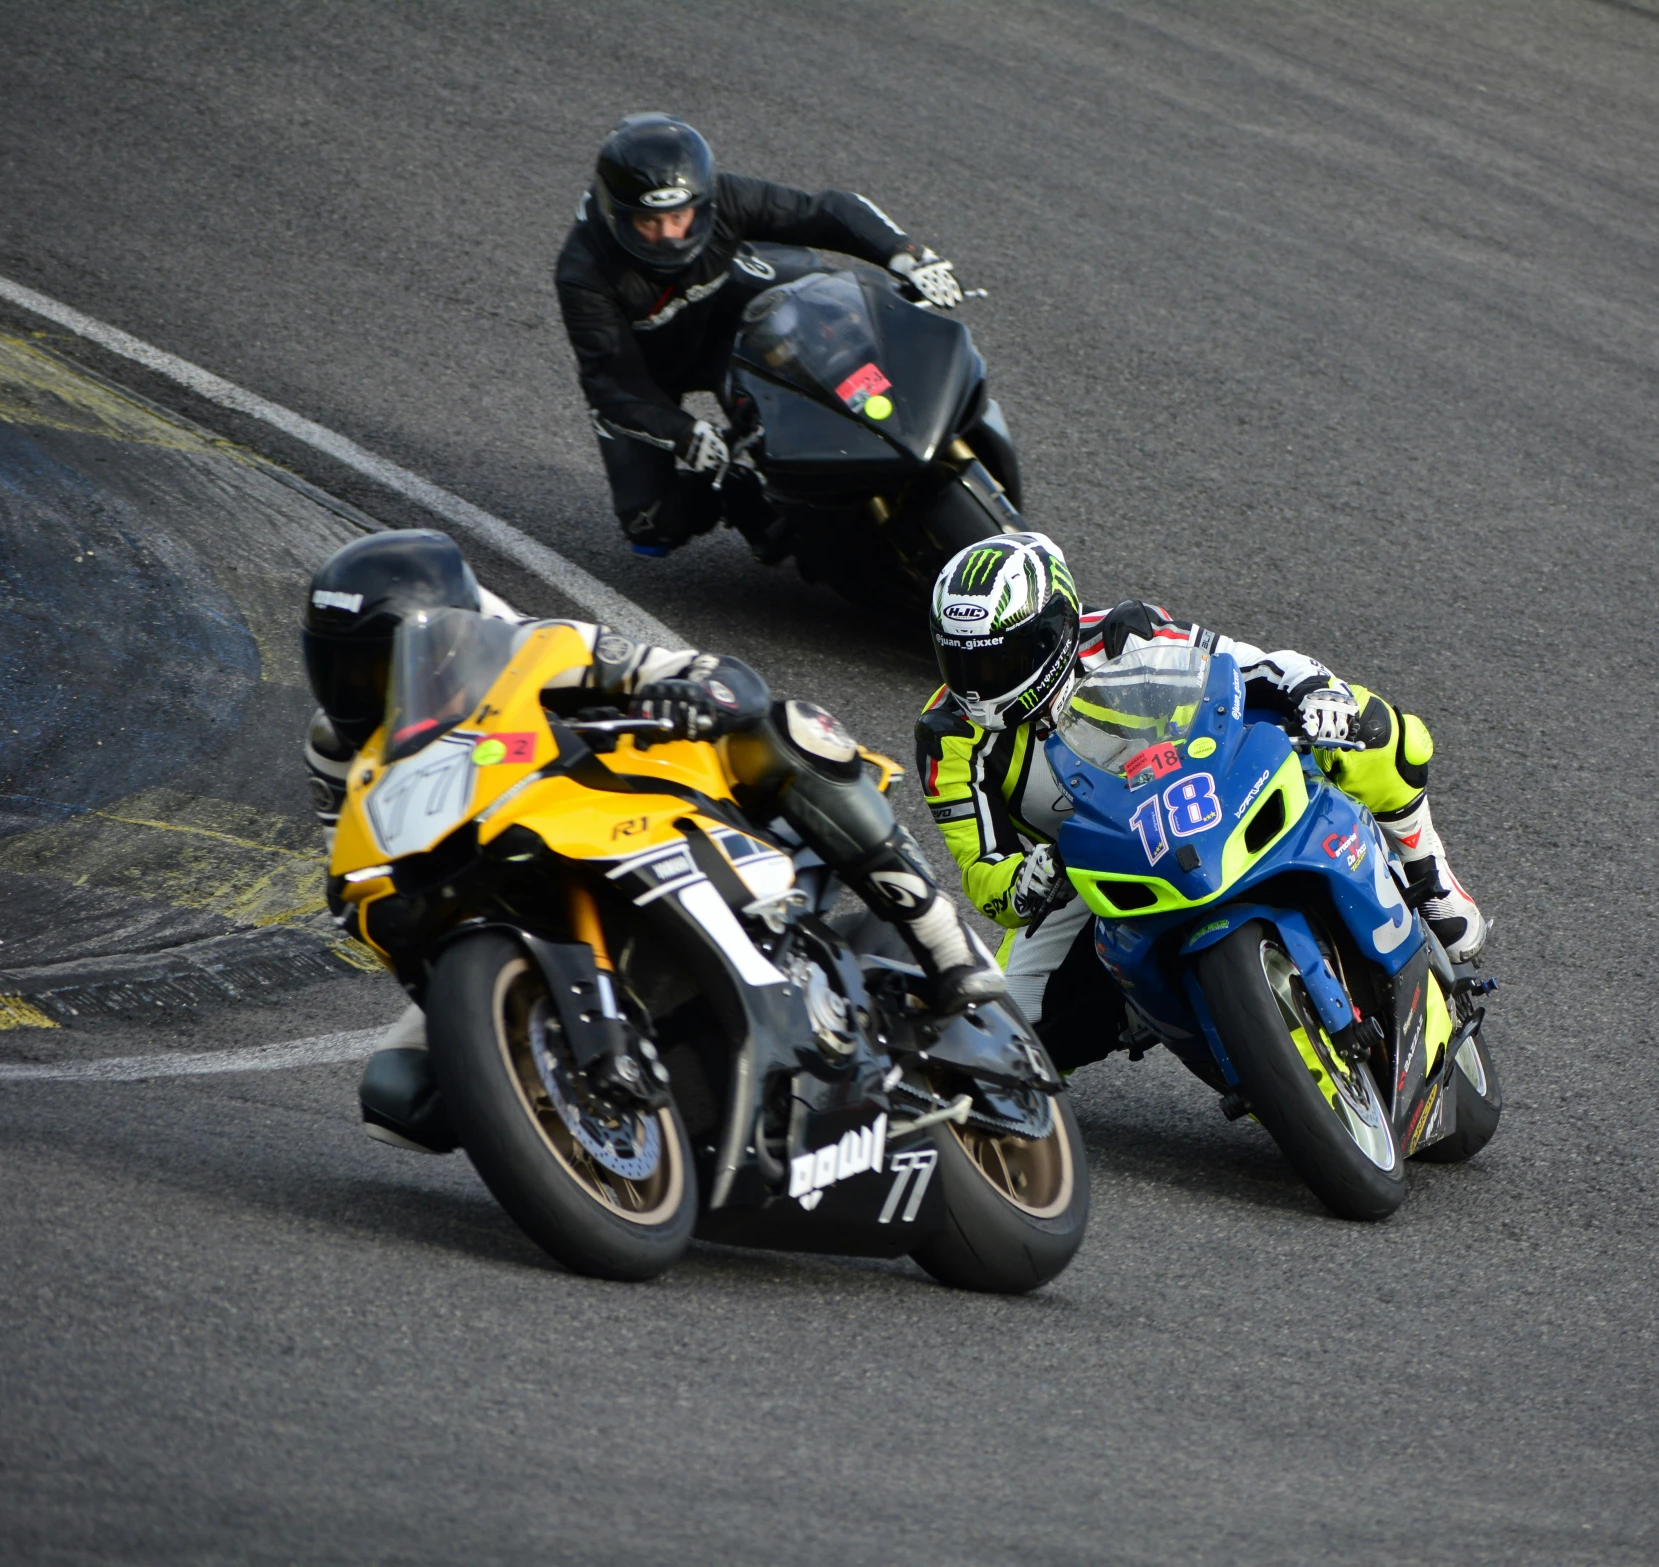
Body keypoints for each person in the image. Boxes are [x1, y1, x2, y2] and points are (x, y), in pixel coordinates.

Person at [301, 529, 1002, 1025]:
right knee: (400, 1099)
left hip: (629, 800)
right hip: (485, 885)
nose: (367, 691)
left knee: (791, 729)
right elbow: (351, 866)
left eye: (384, 666)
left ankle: (940, 935)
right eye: (345, 669)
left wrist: (695, 698)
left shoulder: (540, 647)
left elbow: (703, 673)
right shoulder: (337, 750)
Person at [915, 533, 1487, 1072]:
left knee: (1375, 726)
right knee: (1007, 1036)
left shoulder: (1123, 633)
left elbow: (1252, 668)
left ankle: (1429, 874)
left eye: (997, 662)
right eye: (961, 662)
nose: (977, 683)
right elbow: (983, 872)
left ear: (1055, 629)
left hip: (1206, 785)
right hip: (1092, 865)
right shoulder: (947, 739)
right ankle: (1143, 1008)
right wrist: (1027, 880)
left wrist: (1316, 693)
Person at [556, 113, 964, 557]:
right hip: (648, 373)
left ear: (702, 201)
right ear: (617, 213)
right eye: (648, 223)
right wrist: (686, 434)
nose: (668, 236)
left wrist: (905, 255)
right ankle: (740, 493)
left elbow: (822, 210)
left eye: (679, 217)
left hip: (734, 316)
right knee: (650, 525)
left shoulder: (727, 197)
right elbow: (613, 381)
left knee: (831, 327)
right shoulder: (584, 273)